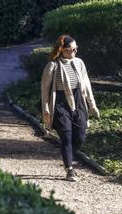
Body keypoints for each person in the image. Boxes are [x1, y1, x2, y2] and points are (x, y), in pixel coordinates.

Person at [40, 35, 100, 182]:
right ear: (62, 50)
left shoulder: (79, 63)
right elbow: (45, 89)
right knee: (66, 136)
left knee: (80, 136)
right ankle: (70, 170)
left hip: (78, 100)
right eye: (71, 49)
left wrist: (92, 104)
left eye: (76, 48)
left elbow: (86, 85)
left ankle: (67, 155)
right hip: (60, 103)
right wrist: (46, 108)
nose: (74, 51)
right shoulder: (52, 66)